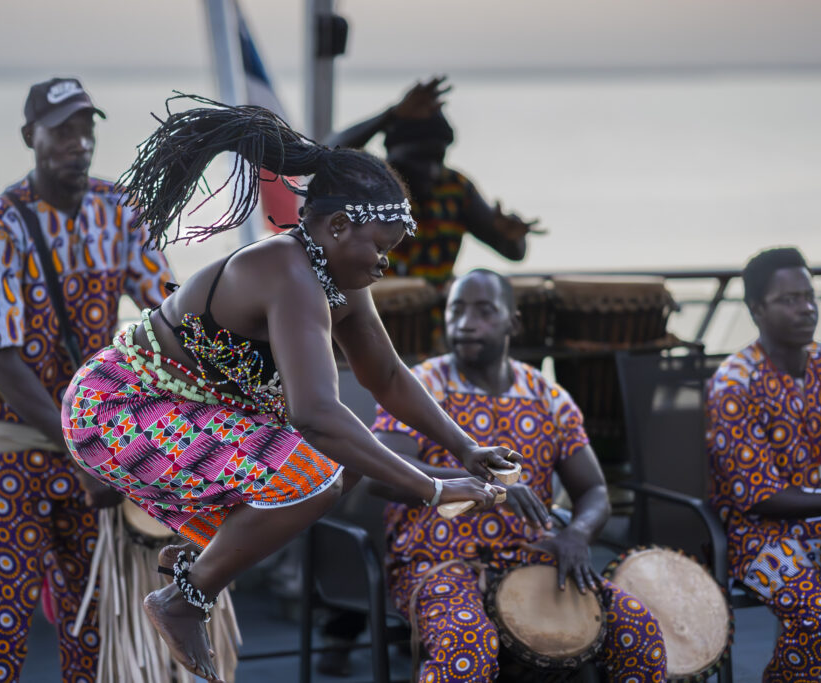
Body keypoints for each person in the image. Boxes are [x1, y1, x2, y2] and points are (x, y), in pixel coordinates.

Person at [60, 95, 516, 682]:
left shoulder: (333, 279)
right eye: (379, 247)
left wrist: (465, 448)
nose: (384, 264)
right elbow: (317, 416)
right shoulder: (289, 274)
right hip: (118, 409)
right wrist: (428, 488)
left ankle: (196, 561)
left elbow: (389, 377)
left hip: (183, 411)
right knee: (318, 469)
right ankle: (185, 595)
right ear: (336, 225)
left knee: (338, 467)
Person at [0, 77, 175, 682]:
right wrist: (84, 450)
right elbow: (2, 361)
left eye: (86, 129)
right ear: (31, 137)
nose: (78, 143)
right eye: (62, 131)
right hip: (15, 445)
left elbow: (167, 308)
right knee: (9, 604)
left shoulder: (120, 209)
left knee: (91, 608)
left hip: (87, 443)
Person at [369, 268, 669, 683]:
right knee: (466, 645)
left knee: (639, 631)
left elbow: (594, 489)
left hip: (533, 558)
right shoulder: (420, 385)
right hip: (436, 562)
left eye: (484, 311)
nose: (465, 322)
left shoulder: (549, 396)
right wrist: (488, 489)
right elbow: (380, 473)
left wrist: (577, 535)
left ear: (514, 323)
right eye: (456, 310)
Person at [706, 247, 821, 682]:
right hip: (759, 539)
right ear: (756, 310)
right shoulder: (735, 384)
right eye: (789, 300)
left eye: (809, 296)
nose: (806, 308)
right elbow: (760, 497)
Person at [326, 76, 542, 287]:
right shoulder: (370, 183)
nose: (430, 169)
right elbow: (326, 155)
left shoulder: (455, 189)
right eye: (419, 159)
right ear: (392, 155)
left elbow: (514, 253)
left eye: (438, 158)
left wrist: (512, 236)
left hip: (435, 320)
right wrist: (390, 116)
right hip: (371, 317)